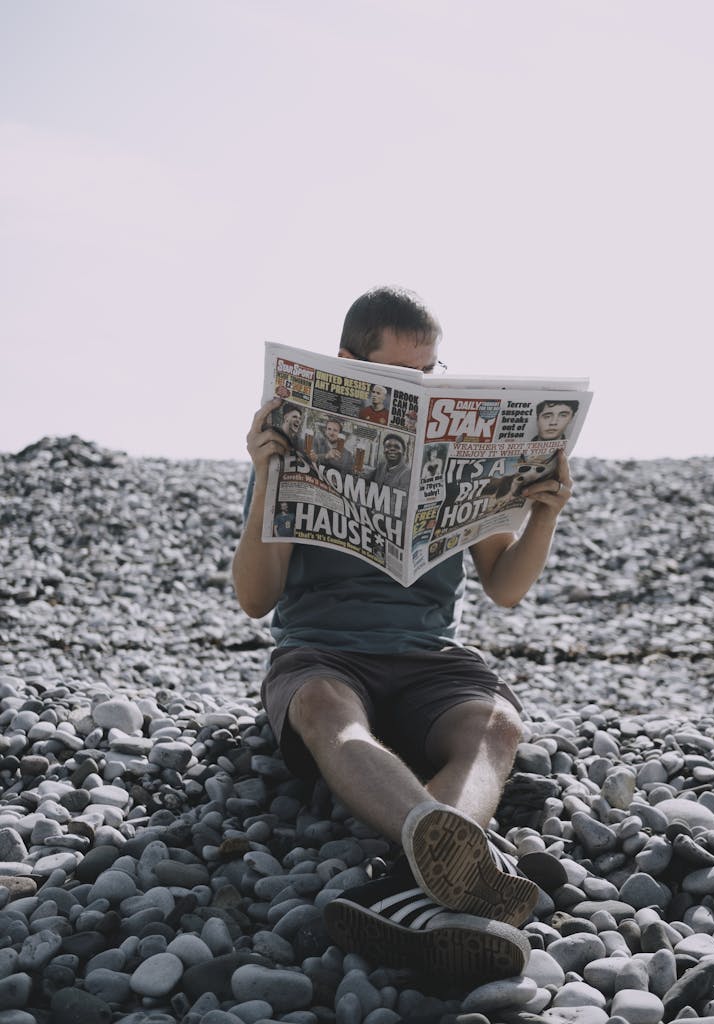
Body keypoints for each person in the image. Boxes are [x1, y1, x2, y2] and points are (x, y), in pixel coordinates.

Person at [232, 286, 572, 980]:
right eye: (398, 379)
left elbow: (503, 587)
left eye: (429, 375)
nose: (417, 392)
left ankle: (416, 886)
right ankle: (449, 868)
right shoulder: (288, 451)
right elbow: (255, 600)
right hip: (323, 656)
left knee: (497, 727)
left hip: (430, 660)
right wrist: (267, 476)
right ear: (348, 365)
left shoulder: (462, 457)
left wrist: (544, 514)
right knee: (328, 712)